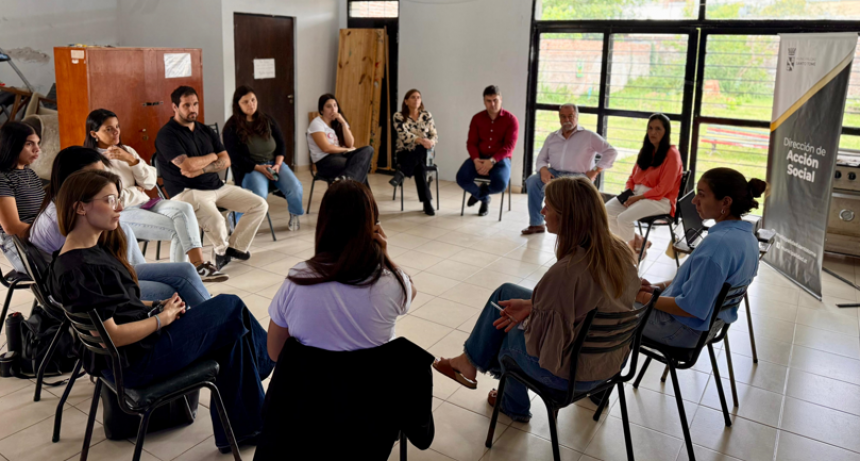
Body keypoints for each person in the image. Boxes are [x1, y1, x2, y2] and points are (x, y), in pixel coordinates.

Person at [49, 169, 274, 453]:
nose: (119, 207)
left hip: (134, 351)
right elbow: (111, 335)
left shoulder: (79, 254)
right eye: (109, 200)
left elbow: (115, 306)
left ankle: (248, 428)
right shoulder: (83, 268)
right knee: (230, 307)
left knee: (231, 334)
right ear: (80, 207)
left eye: (118, 199)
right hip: (137, 362)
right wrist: (161, 319)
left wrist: (156, 306)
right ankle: (267, 361)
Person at [433, 176, 639, 422]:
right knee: (506, 294)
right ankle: (467, 362)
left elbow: (544, 346)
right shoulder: (620, 251)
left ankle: (513, 404)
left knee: (506, 330)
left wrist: (528, 318)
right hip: (608, 365)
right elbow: (586, 304)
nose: (542, 212)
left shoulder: (566, 271)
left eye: (548, 207)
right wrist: (533, 306)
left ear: (567, 216)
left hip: (571, 375)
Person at [30, 147, 211, 306]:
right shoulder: (62, 219)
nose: (102, 181)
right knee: (172, 292)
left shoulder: (68, 205)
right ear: (73, 180)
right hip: (92, 286)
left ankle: (212, 320)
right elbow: (85, 279)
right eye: (95, 176)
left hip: (106, 272)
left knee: (185, 271)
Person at [266, 179, 416, 360]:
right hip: (372, 387)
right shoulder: (392, 283)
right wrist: (385, 257)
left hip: (310, 387)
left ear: (324, 224)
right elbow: (410, 291)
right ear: (373, 227)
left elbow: (274, 354)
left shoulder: (298, 279)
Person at [84, 108, 227, 282]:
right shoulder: (92, 161)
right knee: (180, 230)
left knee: (185, 209)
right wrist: (135, 190)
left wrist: (132, 161)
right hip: (123, 213)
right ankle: (184, 279)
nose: (116, 132)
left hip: (147, 203)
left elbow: (150, 182)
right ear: (94, 133)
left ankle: (197, 267)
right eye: (109, 129)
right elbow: (111, 200)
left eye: (117, 126)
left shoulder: (126, 151)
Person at [637, 168, 766, 348]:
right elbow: (696, 284)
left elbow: (690, 307)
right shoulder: (748, 237)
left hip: (679, 329)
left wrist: (642, 297)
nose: (694, 200)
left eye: (702, 195)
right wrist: (654, 288)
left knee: (606, 307)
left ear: (725, 202)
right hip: (708, 328)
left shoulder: (717, 245)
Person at [155, 86, 269, 271]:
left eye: (195, 104)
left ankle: (233, 249)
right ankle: (221, 250)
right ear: (174, 107)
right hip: (187, 192)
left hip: (216, 186)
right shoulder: (167, 134)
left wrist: (202, 168)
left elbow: (226, 160)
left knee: (259, 204)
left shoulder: (205, 130)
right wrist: (213, 157)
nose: (192, 109)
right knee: (217, 220)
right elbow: (188, 166)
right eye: (186, 105)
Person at [522, 103, 618, 235]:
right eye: (563, 116)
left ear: (577, 117)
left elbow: (611, 152)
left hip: (579, 176)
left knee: (574, 191)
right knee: (532, 181)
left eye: (570, 116)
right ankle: (536, 223)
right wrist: (543, 169)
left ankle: (575, 228)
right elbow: (541, 159)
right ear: (559, 118)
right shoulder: (552, 137)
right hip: (555, 173)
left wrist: (595, 170)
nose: (567, 120)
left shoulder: (588, 136)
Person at [223, 86, 303, 231]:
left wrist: (278, 165)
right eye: (245, 102)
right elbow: (235, 157)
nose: (251, 105)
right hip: (252, 168)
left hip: (274, 165)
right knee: (258, 196)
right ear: (237, 104)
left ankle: (294, 214)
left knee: (295, 187)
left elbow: (281, 145)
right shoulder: (231, 127)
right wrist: (258, 168)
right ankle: (234, 218)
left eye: (253, 100)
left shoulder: (267, 120)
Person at [604, 114, 683, 253]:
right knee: (605, 211)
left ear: (666, 132)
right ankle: (636, 241)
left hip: (659, 200)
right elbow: (632, 178)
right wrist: (628, 193)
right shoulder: (646, 150)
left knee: (623, 219)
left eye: (658, 129)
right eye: (650, 128)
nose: (653, 132)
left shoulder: (672, 154)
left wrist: (638, 198)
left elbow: (664, 188)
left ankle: (627, 254)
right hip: (637, 195)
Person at [456, 85, 519, 217]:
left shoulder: (511, 120)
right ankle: (484, 198)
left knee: (501, 185)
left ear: (501, 99)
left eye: (495, 100)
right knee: (461, 178)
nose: (492, 104)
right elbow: (471, 143)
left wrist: (492, 161)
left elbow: (509, 146)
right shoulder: (477, 118)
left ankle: (481, 193)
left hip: (500, 159)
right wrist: (476, 161)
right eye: (489, 101)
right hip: (479, 157)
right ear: (484, 101)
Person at [0, 122, 45, 273]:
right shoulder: (2, 178)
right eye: (29, 144)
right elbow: (12, 227)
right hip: (19, 244)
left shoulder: (30, 174)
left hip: (39, 236)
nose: (37, 149)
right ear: (12, 145)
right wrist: (51, 232)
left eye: (37, 143)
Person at [307, 94, 374, 184]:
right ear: (322, 110)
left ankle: (345, 180)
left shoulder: (337, 124)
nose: (333, 109)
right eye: (329, 106)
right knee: (358, 168)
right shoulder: (317, 124)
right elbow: (326, 148)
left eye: (335, 105)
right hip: (325, 161)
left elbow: (350, 143)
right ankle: (357, 192)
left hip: (340, 156)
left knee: (368, 149)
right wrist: (347, 149)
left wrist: (343, 123)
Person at [393, 89, 438, 216]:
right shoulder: (399, 116)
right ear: (406, 101)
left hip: (425, 153)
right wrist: (420, 140)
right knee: (420, 167)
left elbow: (434, 135)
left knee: (422, 150)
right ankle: (427, 202)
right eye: (413, 97)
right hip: (405, 153)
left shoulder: (426, 115)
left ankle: (402, 172)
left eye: (418, 97)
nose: (416, 99)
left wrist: (431, 142)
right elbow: (403, 135)